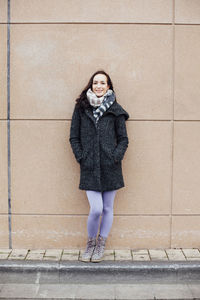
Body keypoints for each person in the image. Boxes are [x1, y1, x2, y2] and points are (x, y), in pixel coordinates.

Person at [69, 70, 129, 262]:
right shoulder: (81, 108)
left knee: (107, 208)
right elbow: (73, 137)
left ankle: (101, 244)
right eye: (96, 82)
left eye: (103, 83)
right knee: (96, 209)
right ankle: (90, 244)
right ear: (91, 85)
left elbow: (124, 140)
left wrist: (115, 156)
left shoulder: (116, 110)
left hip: (111, 166)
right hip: (89, 166)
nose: (99, 86)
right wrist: (81, 156)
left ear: (108, 86)